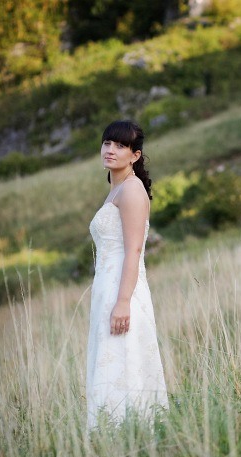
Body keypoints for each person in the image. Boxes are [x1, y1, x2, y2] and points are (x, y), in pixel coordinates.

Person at [87, 120, 169, 431]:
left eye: (120, 146)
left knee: (124, 364)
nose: (110, 150)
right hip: (107, 290)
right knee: (111, 364)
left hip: (124, 293)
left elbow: (134, 251)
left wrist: (123, 303)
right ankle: (112, 438)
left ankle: (129, 435)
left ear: (134, 155)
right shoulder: (117, 189)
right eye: (107, 143)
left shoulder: (132, 190)